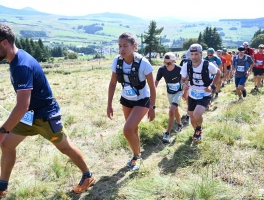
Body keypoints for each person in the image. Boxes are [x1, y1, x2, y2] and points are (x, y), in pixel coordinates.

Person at [0, 23, 95, 198]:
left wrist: (3, 129)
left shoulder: (21, 65)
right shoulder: (15, 60)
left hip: (45, 117)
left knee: (65, 148)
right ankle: (2, 187)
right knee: (6, 144)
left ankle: (88, 176)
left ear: (4, 43)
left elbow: (22, 105)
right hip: (28, 117)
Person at [107, 32, 156, 171]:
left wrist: (152, 107)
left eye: (125, 46)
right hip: (126, 99)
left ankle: (137, 157)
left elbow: (152, 86)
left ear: (134, 46)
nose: (122, 49)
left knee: (127, 130)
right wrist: (109, 104)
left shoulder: (143, 63)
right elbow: (112, 84)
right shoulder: (117, 61)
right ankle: (137, 154)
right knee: (133, 129)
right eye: (119, 46)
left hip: (142, 100)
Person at [180, 44, 221, 142]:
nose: (193, 57)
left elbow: (218, 73)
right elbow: (182, 79)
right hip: (192, 94)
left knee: (197, 114)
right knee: (192, 117)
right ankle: (197, 132)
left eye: (196, 54)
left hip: (204, 94)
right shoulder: (187, 65)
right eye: (192, 54)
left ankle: (199, 128)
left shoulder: (207, 65)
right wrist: (183, 86)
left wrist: (212, 86)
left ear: (201, 54)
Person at [155, 52, 183, 143]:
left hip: (179, 91)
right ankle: (179, 124)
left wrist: (185, 90)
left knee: (171, 111)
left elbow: (185, 80)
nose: (166, 65)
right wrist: (153, 92)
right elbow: (156, 81)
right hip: (169, 93)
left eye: (169, 63)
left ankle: (167, 133)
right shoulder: (162, 69)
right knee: (175, 110)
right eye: (165, 63)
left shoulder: (179, 69)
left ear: (174, 61)